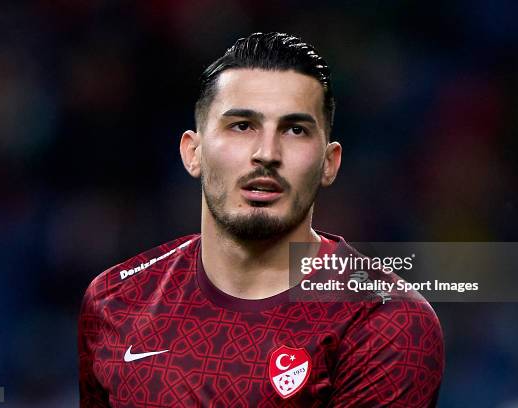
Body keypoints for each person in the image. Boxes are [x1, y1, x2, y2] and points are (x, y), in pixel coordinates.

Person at [78, 32, 444, 407]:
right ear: (193, 152)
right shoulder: (114, 302)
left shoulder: (385, 322)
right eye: (241, 125)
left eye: (295, 130)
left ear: (329, 163)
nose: (266, 153)